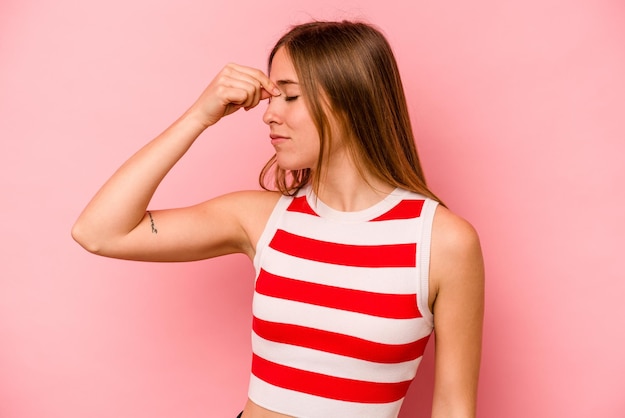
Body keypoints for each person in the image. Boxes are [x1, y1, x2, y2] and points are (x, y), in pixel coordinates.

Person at [72, 20, 484, 418]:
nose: (269, 114)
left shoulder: (442, 242)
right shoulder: (262, 218)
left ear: (351, 98)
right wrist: (199, 115)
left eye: (289, 96)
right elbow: (99, 232)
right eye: (271, 97)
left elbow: (453, 408)